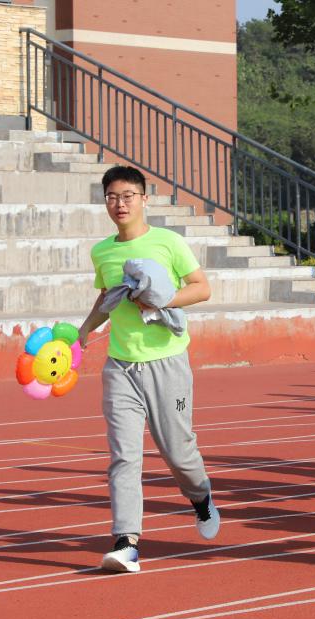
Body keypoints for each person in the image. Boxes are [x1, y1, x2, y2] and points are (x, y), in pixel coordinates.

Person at [78, 165, 219, 573]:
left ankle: (201, 497)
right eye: (112, 197)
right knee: (124, 455)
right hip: (121, 366)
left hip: (167, 364)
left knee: (178, 451)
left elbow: (201, 287)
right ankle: (127, 542)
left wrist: (162, 300)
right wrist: (84, 331)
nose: (119, 204)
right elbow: (106, 296)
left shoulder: (168, 242)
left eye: (127, 196)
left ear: (144, 199)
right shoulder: (102, 252)